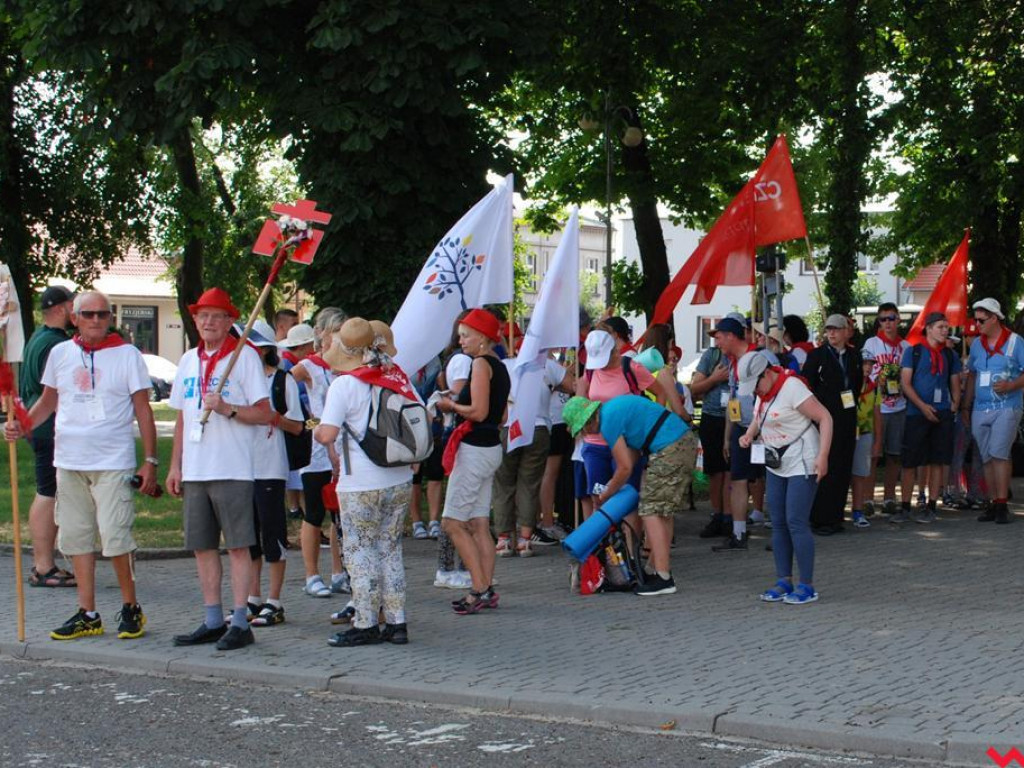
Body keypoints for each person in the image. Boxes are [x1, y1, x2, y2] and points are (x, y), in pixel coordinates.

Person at [6, 290, 157, 639]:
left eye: (102, 315)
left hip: (112, 460)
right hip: (69, 460)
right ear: (74, 317)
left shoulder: (127, 355)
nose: (95, 320)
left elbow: (143, 410)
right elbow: (48, 401)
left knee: (116, 537)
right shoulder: (60, 353)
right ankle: (87, 612)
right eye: (88, 314)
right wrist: (22, 424)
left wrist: (150, 461)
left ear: (110, 318)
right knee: (76, 538)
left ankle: (130, 606)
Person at [167, 287, 272, 651]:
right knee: (202, 547)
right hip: (196, 468)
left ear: (230, 322)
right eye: (203, 316)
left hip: (232, 467)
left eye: (217, 316)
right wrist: (175, 465)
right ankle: (213, 619)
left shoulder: (243, 359)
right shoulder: (186, 361)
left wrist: (229, 409)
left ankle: (241, 620)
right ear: (194, 321)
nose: (209, 322)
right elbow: (183, 417)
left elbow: (265, 413)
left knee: (239, 547)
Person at [316, 318, 417, 646]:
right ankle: (397, 623)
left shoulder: (345, 386)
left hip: (360, 480)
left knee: (359, 551)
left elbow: (328, 434)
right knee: (390, 548)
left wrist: (317, 429)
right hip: (399, 478)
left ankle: (365, 622)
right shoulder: (398, 378)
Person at [563, 393, 694, 596]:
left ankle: (663, 578)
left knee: (650, 510)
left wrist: (607, 493)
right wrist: (613, 486)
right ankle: (657, 569)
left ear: (588, 420)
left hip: (670, 448)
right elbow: (631, 455)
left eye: (582, 429)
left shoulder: (607, 422)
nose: (586, 434)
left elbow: (624, 468)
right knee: (663, 512)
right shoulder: (611, 410)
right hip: (681, 442)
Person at [735, 351, 832, 605]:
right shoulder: (762, 393)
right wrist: (749, 434)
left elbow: (825, 417)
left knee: (795, 521)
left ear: (766, 373)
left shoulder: (792, 387)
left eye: (755, 385)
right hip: (776, 461)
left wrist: (823, 456)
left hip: (802, 458)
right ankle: (784, 580)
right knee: (777, 521)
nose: (754, 391)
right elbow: (759, 418)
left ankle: (807, 585)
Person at [436, 308, 511, 614]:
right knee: (479, 522)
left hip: (475, 447)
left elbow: (478, 411)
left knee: (452, 522)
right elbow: (501, 414)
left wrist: (449, 404)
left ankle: (479, 588)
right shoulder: (499, 365)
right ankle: (487, 586)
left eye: (466, 334)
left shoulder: (480, 364)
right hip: (490, 446)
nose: (460, 340)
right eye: (460, 334)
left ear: (482, 337)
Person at [492, 331, 571, 558]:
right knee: (529, 483)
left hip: (510, 428)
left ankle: (503, 540)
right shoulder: (549, 366)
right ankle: (525, 540)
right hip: (538, 428)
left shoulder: (505, 365)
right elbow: (571, 385)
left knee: (504, 483)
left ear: (518, 348)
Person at [246, 326, 305, 627]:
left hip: (269, 467)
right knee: (247, 538)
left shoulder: (283, 381)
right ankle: (252, 598)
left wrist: (271, 417)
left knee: (272, 535)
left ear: (267, 349)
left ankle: (274, 600)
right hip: (241, 467)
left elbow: (297, 425)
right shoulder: (238, 379)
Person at [19, 285, 76, 588]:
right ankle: (43, 566)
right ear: (62, 308)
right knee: (48, 492)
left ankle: (44, 562)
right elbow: (53, 392)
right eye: (73, 305)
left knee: (49, 491)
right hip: (47, 427)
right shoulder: (54, 344)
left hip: (38, 424)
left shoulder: (39, 337)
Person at [290, 308, 348, 598]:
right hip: (317, 449)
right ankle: (312, 575)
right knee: (314, 512)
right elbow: (285, 388)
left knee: (339, 514)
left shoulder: (346, 365)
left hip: (344, 448)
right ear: (321, 333)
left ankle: (339, 572)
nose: (338, 336)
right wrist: (306, 423)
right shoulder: (310, 366)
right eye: (334, 330)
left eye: (343, 330)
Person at [897, 312, 962, 524]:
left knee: (937, 460)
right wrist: (923, 407)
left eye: (947, 327)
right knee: (910, 462)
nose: (945, 331)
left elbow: (954, 382)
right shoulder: (914, 352)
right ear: (929, 328)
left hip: (942, 412)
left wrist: (954, 405)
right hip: (917, 413)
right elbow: (905, 383)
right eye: (941, 327)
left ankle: (932, 506)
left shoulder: (950, 355)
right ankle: (905, 506)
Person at [964, 298, 1024, 524]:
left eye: (981, 320)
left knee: (999, 453)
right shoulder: (977, 345)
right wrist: (965, 406)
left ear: (995, 318)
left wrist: (1011, 386)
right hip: (980, 407)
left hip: (1007, 407)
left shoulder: (1015, 342)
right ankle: (992, 503)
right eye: (975, 320)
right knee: (987, 457)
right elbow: (972, 375)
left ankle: (1002, 505)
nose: (977, 325)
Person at [803, 314, 863, 535]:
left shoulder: (854, 356)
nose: (832, 333)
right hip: (824, 419)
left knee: (843, 467)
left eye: (836, 329)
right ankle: (820, 518)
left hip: (847, 418)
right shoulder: (817, 356)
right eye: (828, 329)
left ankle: (836, 516)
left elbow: (857, 384)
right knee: (824, 466)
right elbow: (806, 384)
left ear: (846, 331)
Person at [708, 317, 760, 552]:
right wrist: (728, 436)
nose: (717, 343)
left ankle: (784, 533)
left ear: (731, 336)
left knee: (770, 478)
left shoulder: (759, 358)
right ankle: (739, 534)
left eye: (718, 337)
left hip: (764, 429)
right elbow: (733, 401)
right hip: (740, 429)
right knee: (737, 478)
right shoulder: (732, 363)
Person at [862, 302, 912, 515]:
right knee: (873, 454)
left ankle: (890, 497)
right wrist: (878, 379)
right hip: (877, 406)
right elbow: (864, 373)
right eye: (883, 319)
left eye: (891, 318)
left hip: (899, 406)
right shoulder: (871, 343)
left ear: (899, 319)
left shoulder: (906, 347)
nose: (887, 323)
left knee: (895, 454)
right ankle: (867, 499)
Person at [689, 329, 732, 539]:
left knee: (733, 473)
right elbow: (695, 389)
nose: (716, 339)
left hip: (737, 420)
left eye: (720, 335)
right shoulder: (711, 355)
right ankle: (717, 516)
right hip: (712, 418)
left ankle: (731, 518)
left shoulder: (745, 355)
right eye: (714, 335)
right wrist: (715, 378)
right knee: (716, 472)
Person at [850, 350, 882, 527]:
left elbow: (877, 415)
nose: (868, 368)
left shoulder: (874, 388)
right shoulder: (849, 384)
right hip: (847, 434)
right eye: (865, 363)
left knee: (860, 474)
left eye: (871, 364)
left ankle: (858, 511)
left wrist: (877, 441)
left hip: (864, 433)